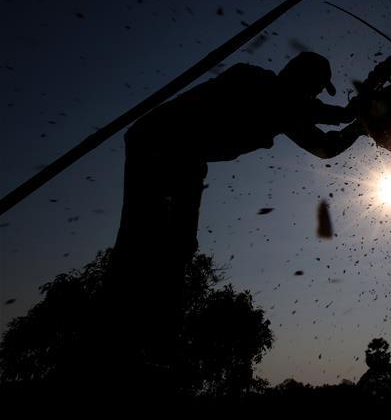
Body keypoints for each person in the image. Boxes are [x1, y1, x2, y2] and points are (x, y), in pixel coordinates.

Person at [106, 52, 363, 376]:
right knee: (142, 238)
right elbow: (308, 116)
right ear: (302, 80)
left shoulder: (285, 109)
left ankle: (157, 338)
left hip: (186, 157)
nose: (312, 95)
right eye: (312, 88)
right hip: (158, 142)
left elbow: (324, 138)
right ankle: (120, 335)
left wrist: (357, 124)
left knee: (179, 244)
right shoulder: (253, 80)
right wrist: (351, 119)